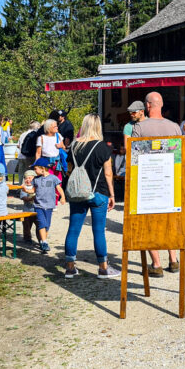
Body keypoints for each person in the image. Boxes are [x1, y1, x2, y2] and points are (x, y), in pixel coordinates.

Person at [64, 113, 120, 279]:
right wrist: (112, 194)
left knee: (73, 229)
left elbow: (69, 169)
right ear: (98, 127)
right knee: (98, 231)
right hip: (99, 192)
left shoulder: (74, 146)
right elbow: (108, 173)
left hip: (78, 193)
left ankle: (69, 267)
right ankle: (103, 267)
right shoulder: (102, 147)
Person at [134, 92, 182, 277]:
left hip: (148, 184)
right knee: (170, 220)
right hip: (170, 183)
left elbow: (134, 159)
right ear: (160, 105)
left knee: (149, 223)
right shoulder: (175, 127)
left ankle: (156, 263)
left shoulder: (139, 128)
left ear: (147, 106)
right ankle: (173, 259)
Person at [31, 157, 65, 253]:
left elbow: (59, 188)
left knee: (47, 225)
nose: (34, 171)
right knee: (41, 223)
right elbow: (32, 191)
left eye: (35, 169)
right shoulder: (36, 179)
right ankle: (45, 242)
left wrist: (63, 197)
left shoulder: (53, 178)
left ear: (42, 168)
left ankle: (42, 241)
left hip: (49, 206)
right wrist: (25, 190)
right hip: (38, 205)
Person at [17, 121, 41, 185]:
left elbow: (18, 145)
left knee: (21, 174)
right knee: (29, 173)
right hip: (29, 157)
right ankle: (28, 187)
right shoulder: (34, 134)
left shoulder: (23, 134)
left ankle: (20, 188)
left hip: (21, 156)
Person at [20, 169, 37, 243]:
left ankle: (41, 239)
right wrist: (32, 198)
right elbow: (24, 198)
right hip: (26, 211)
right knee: (26, 226)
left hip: (36, 211)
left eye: (30, 178)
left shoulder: (37, 187)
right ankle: (27, 238)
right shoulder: (23, 188)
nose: (27, 180)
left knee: (39, 226)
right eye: (26, 178)